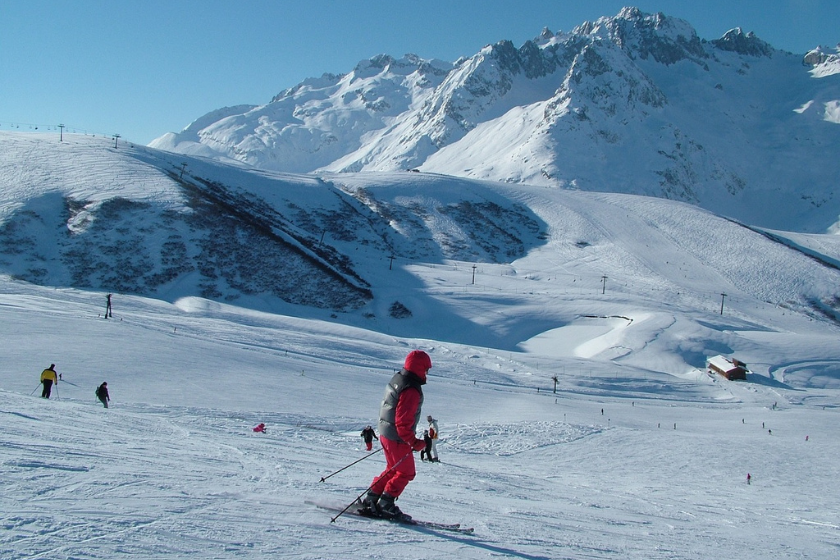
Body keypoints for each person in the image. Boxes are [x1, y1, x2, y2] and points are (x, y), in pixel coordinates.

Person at [362, 350, 432, 520]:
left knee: (393, 469)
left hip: (386, 432)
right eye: (426, 369)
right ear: (420, 367)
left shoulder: (399, 378)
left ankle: (371, 498)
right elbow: (402, 422)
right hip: (397, 437)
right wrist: (413, 442)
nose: (427, 372)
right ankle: (386, 504)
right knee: (406, 472)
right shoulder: (411, 389)